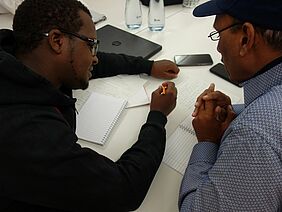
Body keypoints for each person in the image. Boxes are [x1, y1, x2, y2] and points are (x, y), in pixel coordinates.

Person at [0, 0, 179, 211]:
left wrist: (147, 66)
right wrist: (157, 117)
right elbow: (123, 189)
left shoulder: (21, 53)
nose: (94, 58)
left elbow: (85, 59)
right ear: (57, 40)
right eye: (91, 44)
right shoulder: (27, 132)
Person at [179, 0, 282, 211]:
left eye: (219, 34)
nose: (217, 48)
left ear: (246, 38)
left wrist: (207, 141)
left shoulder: (254, 135)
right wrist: (238, 112)